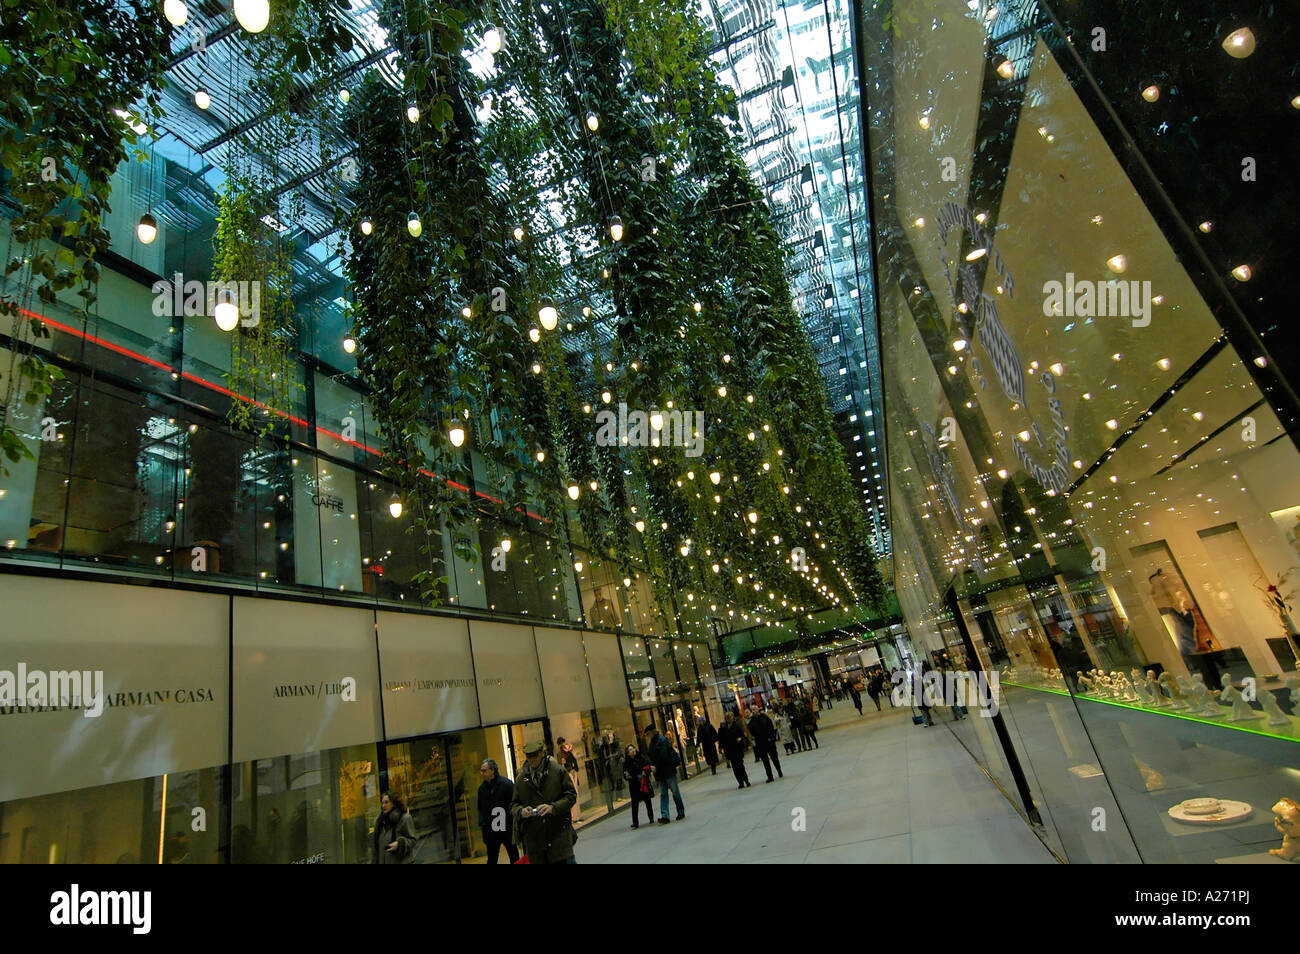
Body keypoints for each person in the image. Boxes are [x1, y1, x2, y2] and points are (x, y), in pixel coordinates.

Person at [511, 739, 578, 863]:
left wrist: (553, 808)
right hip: (535, 840)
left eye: (535, 755)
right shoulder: (521, 779)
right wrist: (521, 811)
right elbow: (514, 804)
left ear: (542, 753)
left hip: (557, 835)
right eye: (529, 756)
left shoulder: (557, 771)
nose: (532, 759)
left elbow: (571, 796)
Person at [477, 759, 519, 864]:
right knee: (492, 857)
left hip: (506, 826)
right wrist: (482, 823)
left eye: (484, 770)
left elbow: (514, 803)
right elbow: (481, 808)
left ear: (492, 771)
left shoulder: (506, 785)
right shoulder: (482, 789)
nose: (482, 773)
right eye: (481, 771)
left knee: (513, 854)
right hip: (491, 828)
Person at [643, 723, 685, 822]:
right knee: (665, 794)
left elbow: (664, 756)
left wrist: (655, 767)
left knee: (674, 792)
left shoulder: (661, 741)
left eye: (648, 734)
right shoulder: (654, 743)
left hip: (667, 771)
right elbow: (650, 756)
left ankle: (679, 811)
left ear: (652, 732)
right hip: (662, 773)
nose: (647, 737)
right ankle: (665, 815)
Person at [373, 791, 418, 864]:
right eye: (382, 803)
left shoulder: (404, 819)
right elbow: (376, 848)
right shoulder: (380, 822)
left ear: (394, 803)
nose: (383, 805)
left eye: (386, 802)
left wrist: (400, 844)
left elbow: (413, 840)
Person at [746, 705, 784, 782]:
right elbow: (751, 730)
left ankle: (779, 771)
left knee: (774, 758)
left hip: (769, 741)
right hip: (760, 743)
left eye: (754, 709)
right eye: (752, 710)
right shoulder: (751, 721)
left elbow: (771, 727)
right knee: (765, 761)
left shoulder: (765, 718)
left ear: (758, 710)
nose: (753, 711)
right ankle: (770, 776)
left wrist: (772, 737)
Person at [622, 743, 655, 828]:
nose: (632, 751)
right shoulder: (627, 762)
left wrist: (646, 772)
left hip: (643, 782)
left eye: (633, 749)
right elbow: (625, 774)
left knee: (647, 801)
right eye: (630, 750)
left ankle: (651, 817)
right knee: (635, 804)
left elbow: (647, 766)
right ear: (628, 753)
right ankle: (635, 822)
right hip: (634, 785)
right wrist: (629, 777)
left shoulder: (641, 757)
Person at [717, 710, 751, 788]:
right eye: (728, 717)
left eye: (731, 717)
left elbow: (742, 735)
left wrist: (740, 739)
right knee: (735, 767)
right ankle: (740, 782)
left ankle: (746, 780)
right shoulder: (723, 728)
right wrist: (720, 747)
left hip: (737, 749)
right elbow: (721, 738)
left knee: (740, 766)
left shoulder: (737, 726)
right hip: (729, 750)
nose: (730, 718)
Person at [556, 737, 582, 821]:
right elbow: (562, 764)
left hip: (573, 771)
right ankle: (575, 816)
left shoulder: (568, 751)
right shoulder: (560, 753)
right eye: (562, 743)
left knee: (576, 793)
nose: (564, 744)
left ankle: (578, 815)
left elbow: (573, 759)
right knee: (573, 793)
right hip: (569, 773)